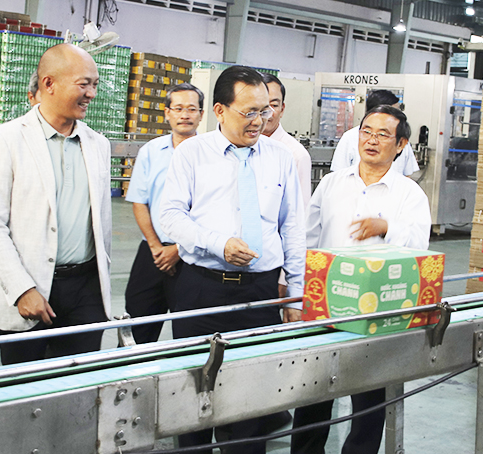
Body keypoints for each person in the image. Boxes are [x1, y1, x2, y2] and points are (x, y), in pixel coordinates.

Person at [160, 65, 306, 454]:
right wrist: (217, 243)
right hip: (200, 291)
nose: (259, 121)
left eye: (265, 111)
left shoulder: (280, 157)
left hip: (259, 295)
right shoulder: (192, 153)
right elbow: (170, 216)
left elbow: (292, 225)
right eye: (249, 112)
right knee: (192, 398)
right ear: (220, 111)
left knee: (250, 405)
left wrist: (296, 290)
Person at [290, 105, 431, 454]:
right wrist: (295, 291)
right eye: (366, 131)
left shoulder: (409, 194)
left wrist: (387, 228)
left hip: (378, 314)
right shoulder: (332, 183)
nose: (371, 140)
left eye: (383, 135)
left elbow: (420, 250)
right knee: (314, 390)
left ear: (400, 145)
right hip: (326, 303)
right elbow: (307, 239)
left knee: (369, 399)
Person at [0, 43, 112, 365]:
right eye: (83, 84)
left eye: (94, 84)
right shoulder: (5, 140)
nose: (91, 93)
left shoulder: (97, 144)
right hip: (29, 287)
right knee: (25, 390)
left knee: (78, 387)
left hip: (86, 290)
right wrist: (22, 289)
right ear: (48, 84)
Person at [123, 83, 204, 344]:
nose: (185, 115)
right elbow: (139, 201)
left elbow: (214, 211)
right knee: (138, 327)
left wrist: (179, 250)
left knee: (189, 332)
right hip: (153, 254)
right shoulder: (150, 152)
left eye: (191, 109)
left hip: (193, 256)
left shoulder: (211, 154)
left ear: (201, 114)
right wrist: (157, 247)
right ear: (167, 113)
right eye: (178, 108)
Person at [330, 89, 419, 176]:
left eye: (383, 135)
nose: (372, 141)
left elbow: (407, 174)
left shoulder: (399, 138)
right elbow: (338, 174)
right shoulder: (350, 137)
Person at [261, 73, 312, 208]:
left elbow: (301, 210)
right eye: (262, 105)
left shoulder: (296, 155)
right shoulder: (239, 146)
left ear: (282, 109)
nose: (268, 112)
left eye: (274, 105)